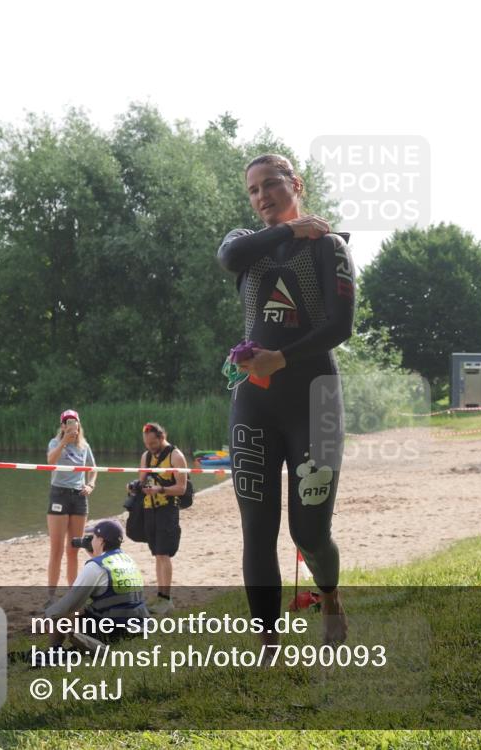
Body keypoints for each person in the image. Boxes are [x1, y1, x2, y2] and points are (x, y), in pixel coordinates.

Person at [217, 153, 354, 650]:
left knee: (309, 533)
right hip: (253, 403)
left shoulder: (330, 247)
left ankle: (331, 596)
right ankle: (268, 646)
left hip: (315, 400)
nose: (261, 197)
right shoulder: (244, 245)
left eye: (270, 184)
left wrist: (282, 357)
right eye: (252, 190)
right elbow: (228, 258)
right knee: (257, 529)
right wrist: (292, 231)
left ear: (295, 183)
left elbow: (340, 325)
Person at [39, 519, 148, 656]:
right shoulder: (128, 560)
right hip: (138, 627)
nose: (91, 541)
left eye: (94, 537)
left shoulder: (96, 566)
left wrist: (47, 616)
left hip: (113, 631)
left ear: (101, 541)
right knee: (82, 609)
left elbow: (69, 604)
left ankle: (53, 652)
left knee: (61, 613)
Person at [133, 422, 188, 615]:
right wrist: (134, 487)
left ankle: (167, 598)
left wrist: (160, 489)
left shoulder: (176, 456)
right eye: (147, 444)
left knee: (164, 554)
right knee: (157, 554)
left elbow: (182, 488)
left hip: (167, 509)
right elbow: (141, 482)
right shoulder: (145, 456)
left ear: (162, 437)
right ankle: (159, 596)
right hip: (149, 509)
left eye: (153, 443)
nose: (150, 447)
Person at [45, 409, 97, 605]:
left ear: (79, 425)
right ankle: (50, 597)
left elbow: (94, 469)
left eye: (74, 422)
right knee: (56, 549)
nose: (71, 426)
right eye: (67, 422)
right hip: (59, 494)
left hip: (79, 497)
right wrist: (64, 442)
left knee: (74, 549)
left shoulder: (84, 446)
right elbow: (50, 461)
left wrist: (91, 485)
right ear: (63, 426)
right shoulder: (55, 442)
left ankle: (73, 596)